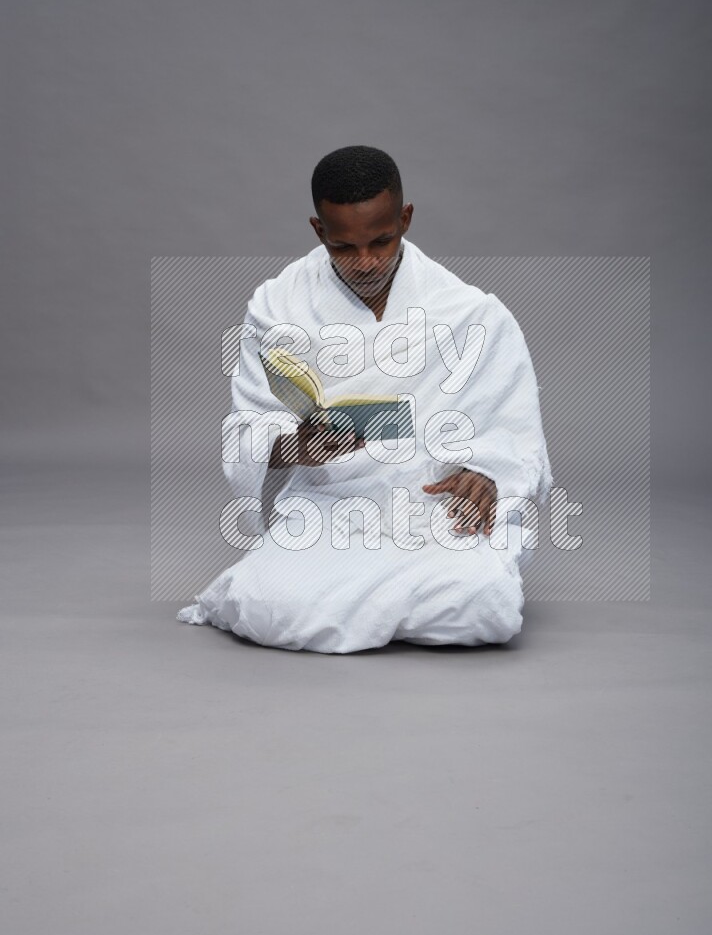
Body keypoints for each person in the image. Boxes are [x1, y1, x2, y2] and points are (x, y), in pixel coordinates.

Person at [176, 145, 553, 653]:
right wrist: (295, 449)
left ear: (406, 218)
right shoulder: (276, 306)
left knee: (485, 602)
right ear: (318, 231)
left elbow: (514, 430)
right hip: (330, 505)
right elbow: (248, 429)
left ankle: (377, 602)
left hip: (434, 504)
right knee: (266, 604)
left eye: (382, 240)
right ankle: (386, 605)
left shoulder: (469, 311)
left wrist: (485, 473)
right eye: (344, 248)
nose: (367, 262)